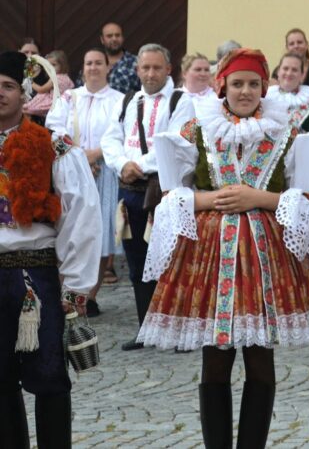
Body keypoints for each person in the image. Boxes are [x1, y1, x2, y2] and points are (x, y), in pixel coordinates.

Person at [138, 48, 309, 449]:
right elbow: (168, 194)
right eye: (237, 84)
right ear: (222, 86)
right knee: (214, 360)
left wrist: (259, 198)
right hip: (210, 258)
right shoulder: (197, 130)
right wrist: (210, 201)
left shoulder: (290, 135)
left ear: (264, 87)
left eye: (253, 84)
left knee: (260, 361)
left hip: (266, 259)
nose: (245, 91)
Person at [0, 50, 101, 449]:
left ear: (24, 94)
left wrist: (75, 287)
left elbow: (81, 215)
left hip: (35, 279)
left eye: (7, 86)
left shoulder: (53, 146)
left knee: (50, 379)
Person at [100, 43, 190, 351]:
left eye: (156, 67)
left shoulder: (181, 101)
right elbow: (110, 138)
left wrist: (140, 165)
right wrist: (122, 164)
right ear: (137, 70)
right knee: (138, 261)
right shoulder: (128, 100)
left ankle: (178, 332)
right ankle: (146, 329)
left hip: (163, 190)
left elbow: (177, 142)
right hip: (130, 190)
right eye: (145, 68)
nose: (150, 73)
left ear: (169, 70)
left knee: (171, 260)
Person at [46, 47, 125, 316]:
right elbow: (55, 127)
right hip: (71, 171)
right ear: (83, 67)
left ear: (107, 67)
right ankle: (65, 290)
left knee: (99, 232)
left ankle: (89, 296)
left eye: (98, 63)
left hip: (104, 172)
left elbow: (120, 131)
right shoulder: (70, 97)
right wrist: (78, 157)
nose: (93, 67)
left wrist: (95, 156)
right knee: (68, 229)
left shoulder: (119, 99)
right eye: (89, 63)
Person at [267, 53, 309, 133]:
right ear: (278, 72)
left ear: (302, 75)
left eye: (294, 70)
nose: (289, 73)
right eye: (285, 68)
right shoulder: (266, 96)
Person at [24, 51, 73, 123]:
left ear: (62, 65)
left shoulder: (55, 78)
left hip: (52, 102)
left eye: (53, 65)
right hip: (63, 105)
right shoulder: (67, 78)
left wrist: (31, 82)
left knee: (27, 108)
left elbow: (41, 89)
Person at [101, 22, 141, 94]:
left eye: (117, 35)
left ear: (122, 38)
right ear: (102, 40)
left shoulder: (137, 63)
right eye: (109, 36)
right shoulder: (93, 63)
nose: (114, 39)